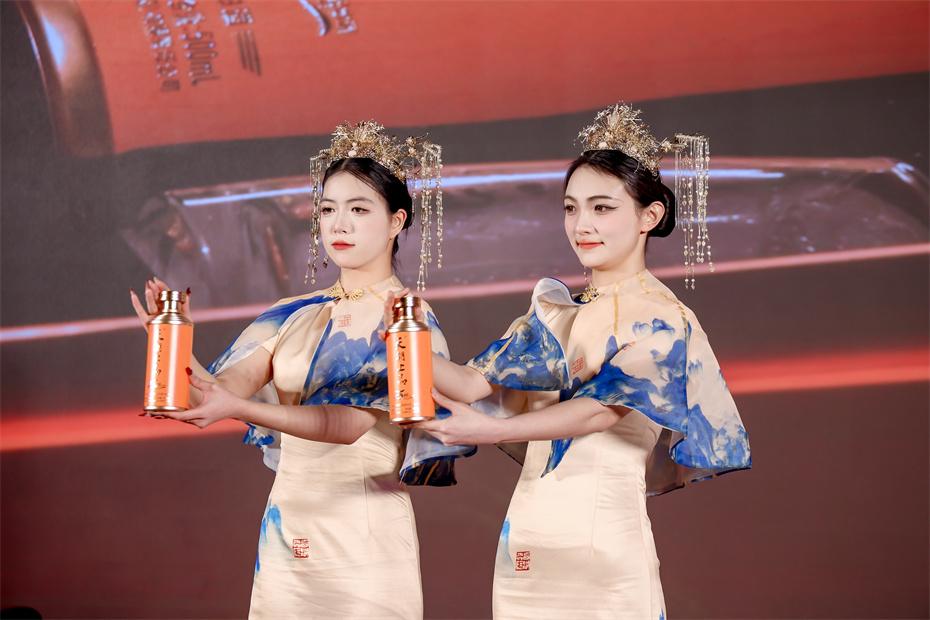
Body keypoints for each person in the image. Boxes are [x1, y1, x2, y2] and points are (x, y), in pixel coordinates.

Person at [406, 104, 751, 619]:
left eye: (602, 208)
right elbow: (469, 383)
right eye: (571, 208)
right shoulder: (554, 313)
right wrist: (400, 332)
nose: (582, 225)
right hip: (526, 537)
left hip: (600, 543)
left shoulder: (662, 317)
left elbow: (599, 411)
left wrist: (491, 430)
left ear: (650, 216)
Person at [131, 121, 466, 619]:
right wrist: (170, 340)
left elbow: (349, 425)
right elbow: (213, 393)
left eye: (358, 210)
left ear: (396, 221)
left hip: (363, 536)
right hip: (288, 531)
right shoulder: (291, 313)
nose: (339, 225)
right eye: (328, 210)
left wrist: (240, 408)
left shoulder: (404, 319)